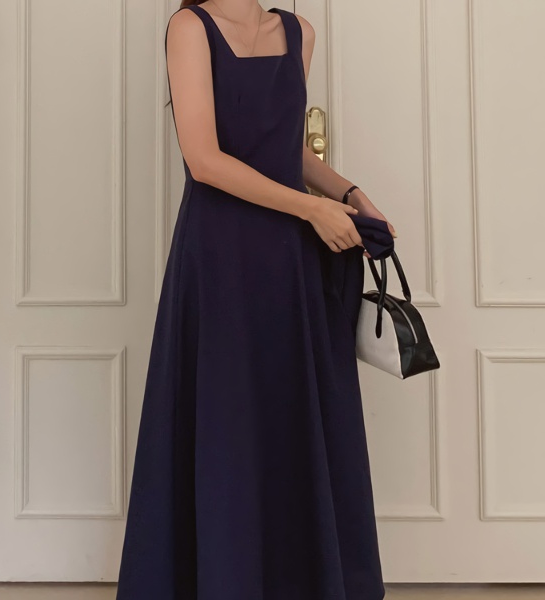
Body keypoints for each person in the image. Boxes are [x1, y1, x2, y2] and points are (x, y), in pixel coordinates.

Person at [116, 1, 396, 598]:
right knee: (226, 417)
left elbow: (287, 150)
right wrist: (313, 208)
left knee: (286, 415)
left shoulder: (298, 32)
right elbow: (205, 159)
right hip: (219, 255)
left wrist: (351, 195)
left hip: (289, 259)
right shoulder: (190, 27)